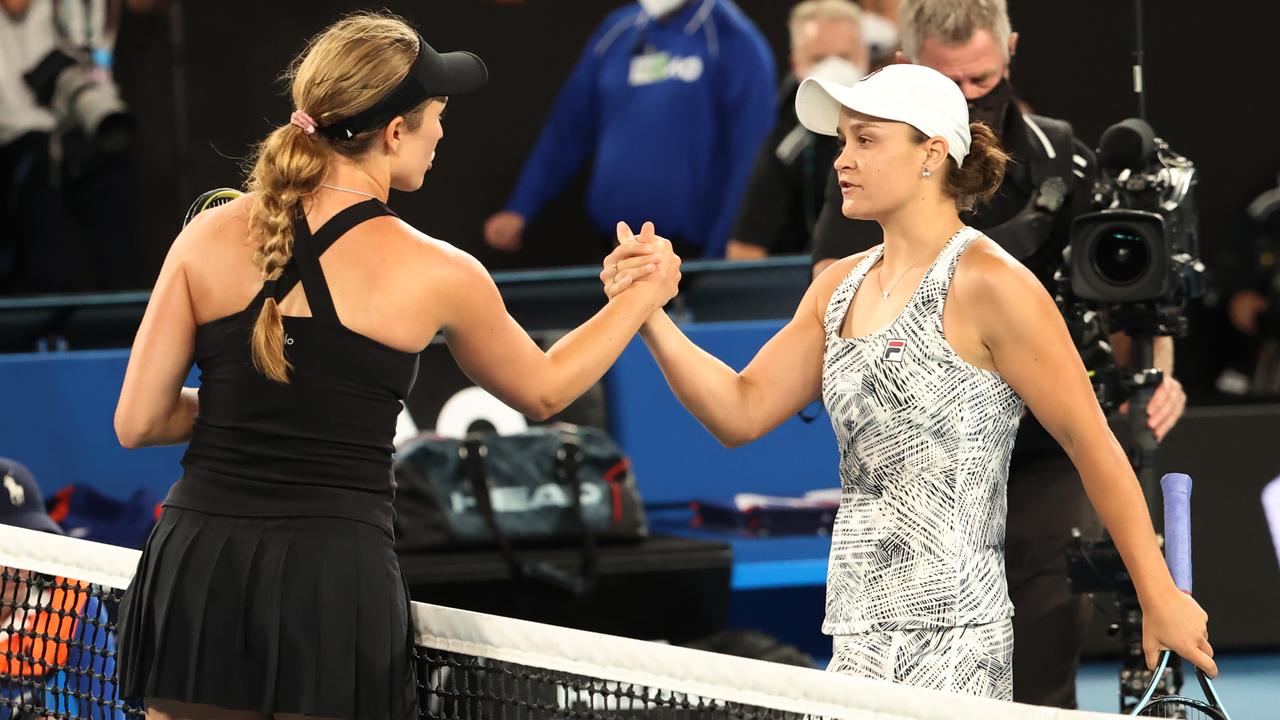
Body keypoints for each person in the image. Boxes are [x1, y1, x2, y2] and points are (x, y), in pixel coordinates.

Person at [112, 12, 679, 720]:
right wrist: (643, 295)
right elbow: (545, 391)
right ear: (395, 132)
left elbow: (139, 421)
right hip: (330, 580)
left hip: (196, 563)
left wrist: (254, 406)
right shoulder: (441, 271)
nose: (443, 132)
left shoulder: (206, 237)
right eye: (437, 115)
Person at [602, 63, 1214, 701]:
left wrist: (1159, 594)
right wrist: (648, 314)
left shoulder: (993, 285)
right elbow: (739, 410)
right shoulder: (836, 287)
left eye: (866, 140)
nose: (844, 159)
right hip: (855, 630)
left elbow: (1093, 445)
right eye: (843, 141)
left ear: (932, 152)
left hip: (955, 642)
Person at [807, 0, 1187, 707]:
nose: (971, 98)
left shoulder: (1062, 160)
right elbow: (831, 301)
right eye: (951, 83)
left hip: (1043, 453)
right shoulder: (865, 172)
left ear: (1011, 50)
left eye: (984, 79)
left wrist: (1157, 368)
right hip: (921, 467)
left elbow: (1136, 279)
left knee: (1040, 669)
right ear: (907, 67)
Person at [482, 0, 775, 262]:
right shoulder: (617, 30)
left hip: (690, 258)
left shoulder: (731, 38)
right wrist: (521, 206)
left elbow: (753, 156)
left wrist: (720, 254)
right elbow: (567, 128)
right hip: (611, 249)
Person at [725, 0, 868, 261]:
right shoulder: (786, 143)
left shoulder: (898, 126)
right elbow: (745, 248)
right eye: (819, 59)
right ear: (796, 65)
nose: (834, 69)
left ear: (865, 57)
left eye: (844, 57)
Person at [0, 458, 126, 720]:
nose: (19, 566)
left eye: (30, 546)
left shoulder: (71, 601)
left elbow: (106, 715)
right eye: (8, 548)